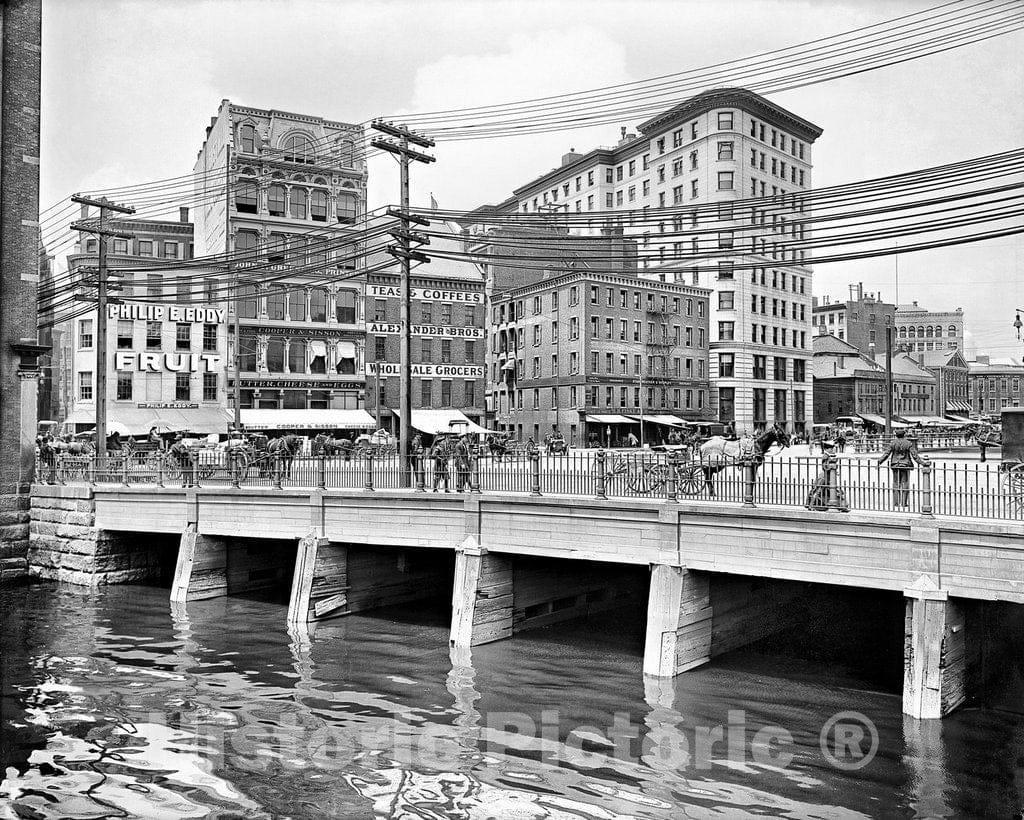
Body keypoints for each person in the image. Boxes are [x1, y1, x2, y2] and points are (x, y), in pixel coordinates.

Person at [878, 428, 928, 507]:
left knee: (895, 483)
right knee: (905, 484)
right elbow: (915, 456)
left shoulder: (892, 443)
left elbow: (886, 454)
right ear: (904, 435)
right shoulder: (908, 443)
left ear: (896, 435)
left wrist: (879, 462)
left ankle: (896, 503)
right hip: (905, 465)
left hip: (895, 465)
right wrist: (923, 463)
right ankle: (904, 503)